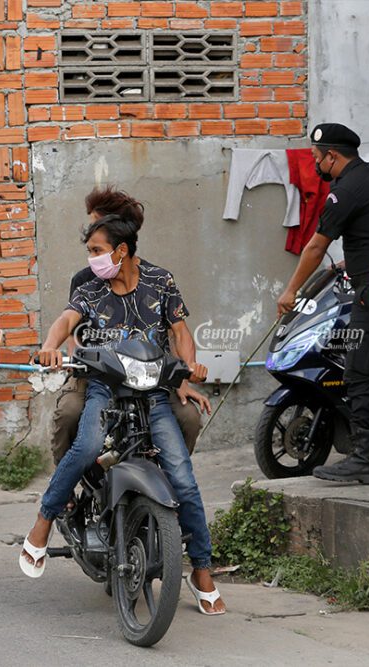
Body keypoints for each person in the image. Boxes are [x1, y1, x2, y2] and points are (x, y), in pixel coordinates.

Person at [19, 213, 225, 615]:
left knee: (182, 476)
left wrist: (189, 367)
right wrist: (49, 345)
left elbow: (180, 332)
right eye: (91, 251)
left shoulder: (160, 281)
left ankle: (201, 568)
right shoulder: (92, 289)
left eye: (97, 251)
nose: (93, 259)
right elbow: (67, 320)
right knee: (87, 444)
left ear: (122, 250)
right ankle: (44, 520)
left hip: (153, 395)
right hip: (105, 388)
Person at [277, 123, 369, 483]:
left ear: (333, 156)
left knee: (360, 370)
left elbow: (315, 246)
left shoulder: (346, 190)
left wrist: (291, 290)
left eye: (316, 158)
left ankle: (362, 459)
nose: (314, 165)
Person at [50, 186, 209, 464]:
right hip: (97, 375)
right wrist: (75, 361)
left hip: (152, 377)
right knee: (69, 414)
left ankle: (166, 480)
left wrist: (182, 377)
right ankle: (67, 489)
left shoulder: (159, 280)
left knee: (189, 418)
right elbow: (71, 327)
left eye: (97, 226)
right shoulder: (85, 282)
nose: (90, 236)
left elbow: (176, 332)